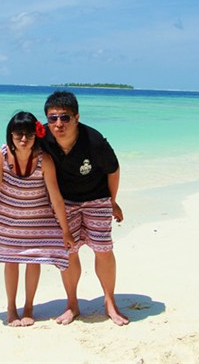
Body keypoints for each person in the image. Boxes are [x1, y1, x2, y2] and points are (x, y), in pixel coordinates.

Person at [0, 111, 75, 327]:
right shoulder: (1, 156)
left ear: (36, 135)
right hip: (7, 218)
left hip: (38, 219)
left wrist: (66, 231)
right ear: (11, 135)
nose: (24, 139)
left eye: (29, 134)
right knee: (11, 260)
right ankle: (11, 308)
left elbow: (56, 197)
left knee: (33, 260)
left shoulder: (44, 160)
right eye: (18, 134)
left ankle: (28, 307)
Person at [40, 91, 130, 326]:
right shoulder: (43, 137)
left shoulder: (94, 141)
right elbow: (18, 142)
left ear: (76, 118)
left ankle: (110, 302)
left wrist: (112, 201)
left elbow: (113, 170)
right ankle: (72, 304)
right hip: (64, 202)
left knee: (103, 249)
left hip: (96, 198)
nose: (58, 124)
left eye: (65, 117)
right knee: (69, 251)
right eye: (52, 118)